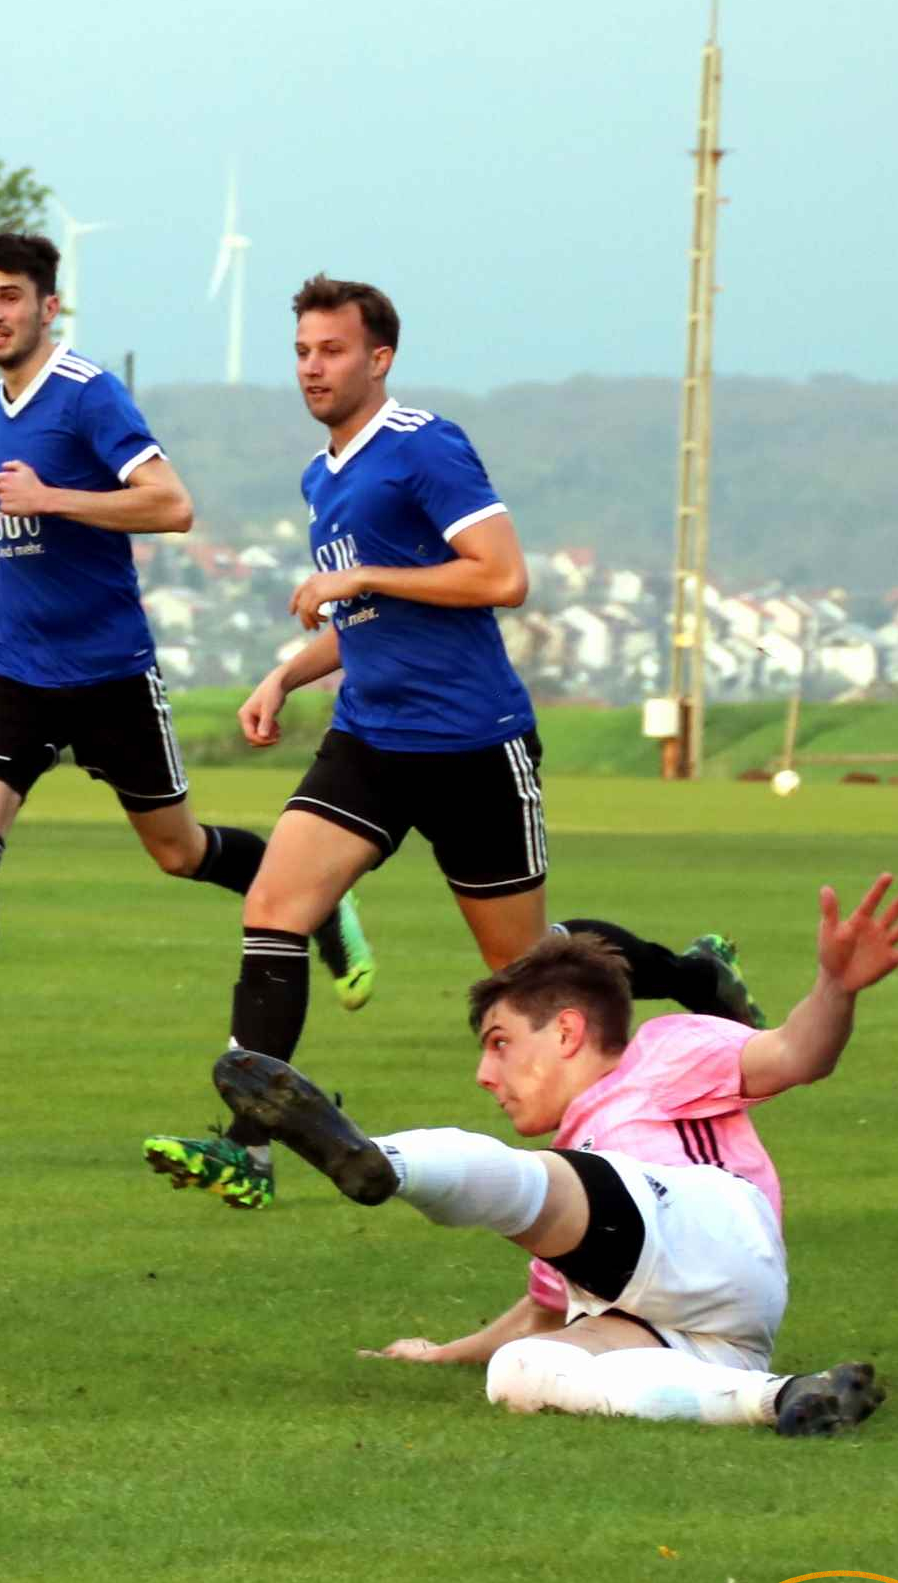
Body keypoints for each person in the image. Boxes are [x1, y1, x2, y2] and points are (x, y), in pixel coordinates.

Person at [141, 275, 746, 1206]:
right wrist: (286, 675)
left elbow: (502, 577)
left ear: (379, 358)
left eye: (333, 350)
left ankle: (693, 975)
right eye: (302, 351)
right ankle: (249, 1148)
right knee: (273, 908)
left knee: (531, 969)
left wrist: (362, 578)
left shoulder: (424, 447)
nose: (313, 368)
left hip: (471, 746)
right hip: (371, 742)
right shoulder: (322, 476)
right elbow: (372, 619)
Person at [0, 233, 353, 1120]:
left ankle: (311, 897)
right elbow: (23, 519)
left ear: (48, 306)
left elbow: (172, 505)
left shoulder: (88, 391)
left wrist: (53, 496)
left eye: (9, 297)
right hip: (16, 671)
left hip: (107, 675)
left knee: (180, 853)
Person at [219, 871, 898, 1435]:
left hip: (717, 1230)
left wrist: (834, 989)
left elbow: (796, 1054)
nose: (485, 1074)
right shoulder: (574, 1173)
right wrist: (441, 1354)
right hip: (708, 1333)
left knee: (548, 1186)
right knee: (522, 1372)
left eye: (499, 1043)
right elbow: (541, 1310)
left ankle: (385, 1164)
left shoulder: (666, 1049)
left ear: (565, 1032)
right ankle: (781, 1398)